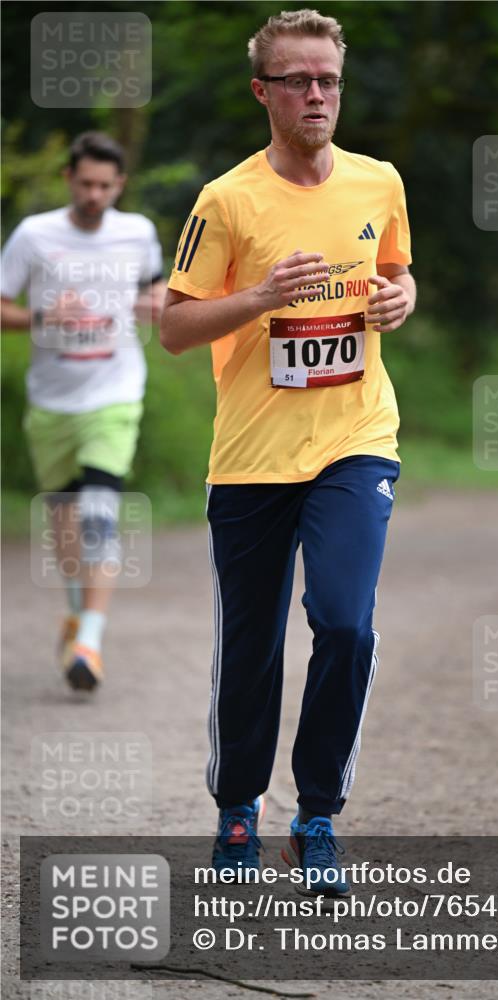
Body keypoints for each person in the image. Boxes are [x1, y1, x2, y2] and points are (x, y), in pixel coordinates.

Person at [160, 8, 415, 894]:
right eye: (299, 80)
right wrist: (262, 295)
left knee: (345, 621)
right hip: (252, 457)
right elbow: (176, 327)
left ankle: (316, 816)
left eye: (329, 80)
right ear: (263, 91)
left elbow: (395, 268)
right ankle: (237, 808)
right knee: (253, 643)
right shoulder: (226, 200)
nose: (317, 94)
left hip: (354, 440)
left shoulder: (379, 181)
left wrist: (400, 299)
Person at [1, 131, 165, 692]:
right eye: (86, 183)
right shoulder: (34, 235)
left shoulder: (138, 232)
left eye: (106, 185)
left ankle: (89, 642)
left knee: (100, 515)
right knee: (65, 530)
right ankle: (76, 610)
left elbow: (156, 290)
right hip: (51, 401)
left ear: (119, 185)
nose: (95, 194)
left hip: (115, 393)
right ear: (70, 179)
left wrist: (161, 303)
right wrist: (45, 318)